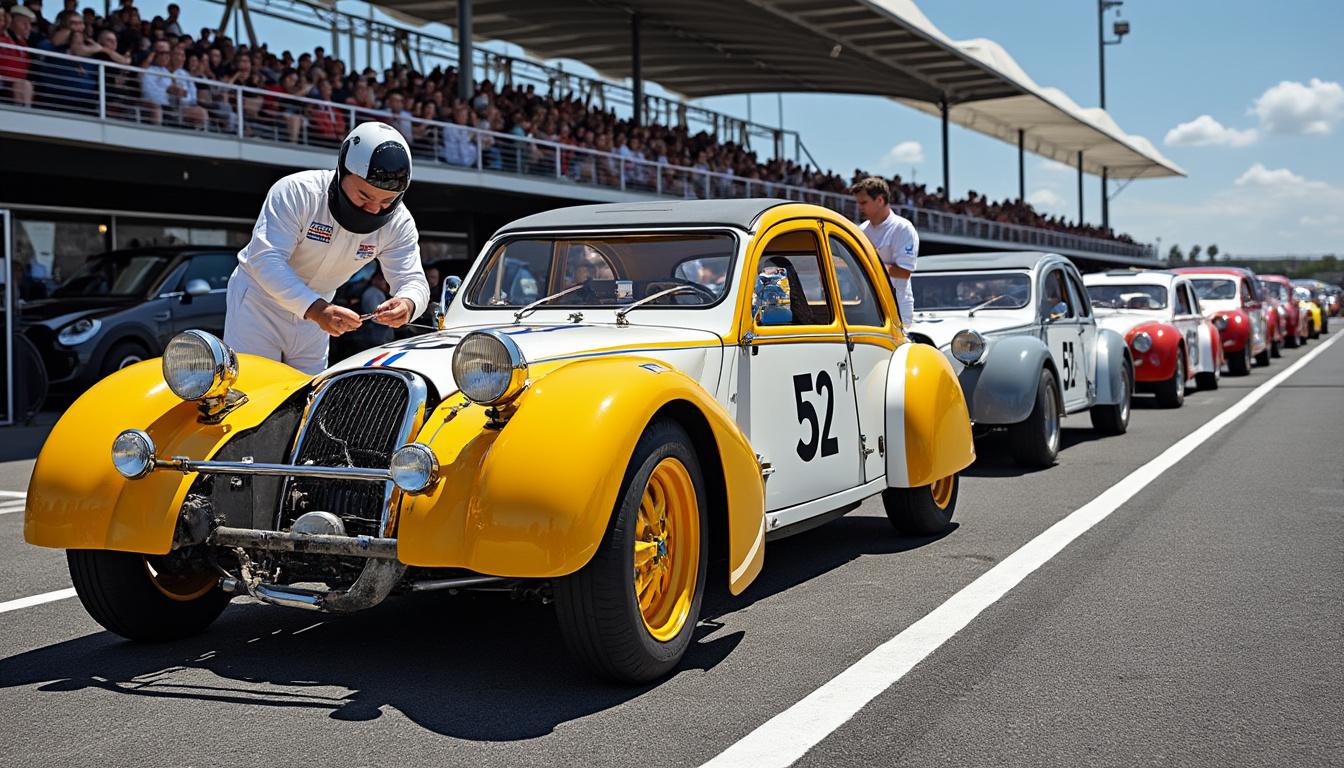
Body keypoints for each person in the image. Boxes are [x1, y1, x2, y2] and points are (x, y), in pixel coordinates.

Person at [224, 122, 430, 374]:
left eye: (387, 200)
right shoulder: (298, 192)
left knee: (306, 396)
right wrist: (315, 309)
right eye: (364, 196)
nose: (374, 209)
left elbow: (414, 280)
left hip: (320, 314)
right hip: (259, 305)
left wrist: (408, 303)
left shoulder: (398, 222)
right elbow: (266, 259)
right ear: (342, 171)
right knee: (252, 387)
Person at [850, 176, 918, 325]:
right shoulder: (860, 230)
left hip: (897, 308)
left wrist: (866, 264)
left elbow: (904, 272)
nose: (860, 207)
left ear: (880, 200)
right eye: (858, 203)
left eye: (864, 203)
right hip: (868, 306)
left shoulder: (902, 228)